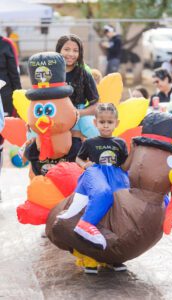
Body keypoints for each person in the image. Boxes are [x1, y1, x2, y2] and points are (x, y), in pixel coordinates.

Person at [58, 103, 133, 256]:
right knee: (102, 193)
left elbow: (124, 164)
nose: (106, 126)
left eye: (110, 122)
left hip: (115, 176)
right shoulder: (90, 142)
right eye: (102, 122)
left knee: (125, 198)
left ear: (116, 123)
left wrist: (133, 154)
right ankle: (86, 224)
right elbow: (78, 158)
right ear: (95, 122)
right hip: (96, 175)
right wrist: (85, 165)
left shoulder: (120, 143)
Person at [56, 34, 99, 139]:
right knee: (33, 133)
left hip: (79, 114)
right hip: (53, 113)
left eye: (75, 50)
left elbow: (96, 105)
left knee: (93, 130)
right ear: (58, 50)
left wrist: (78, 112)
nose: (71, 54)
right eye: (66, 49)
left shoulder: (84, 75)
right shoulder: (50, 73)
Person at [0, 34, 22, 116]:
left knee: (7, 125)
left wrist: (19, 96)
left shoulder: (6, 44)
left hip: (4, 97)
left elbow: (14, 73)